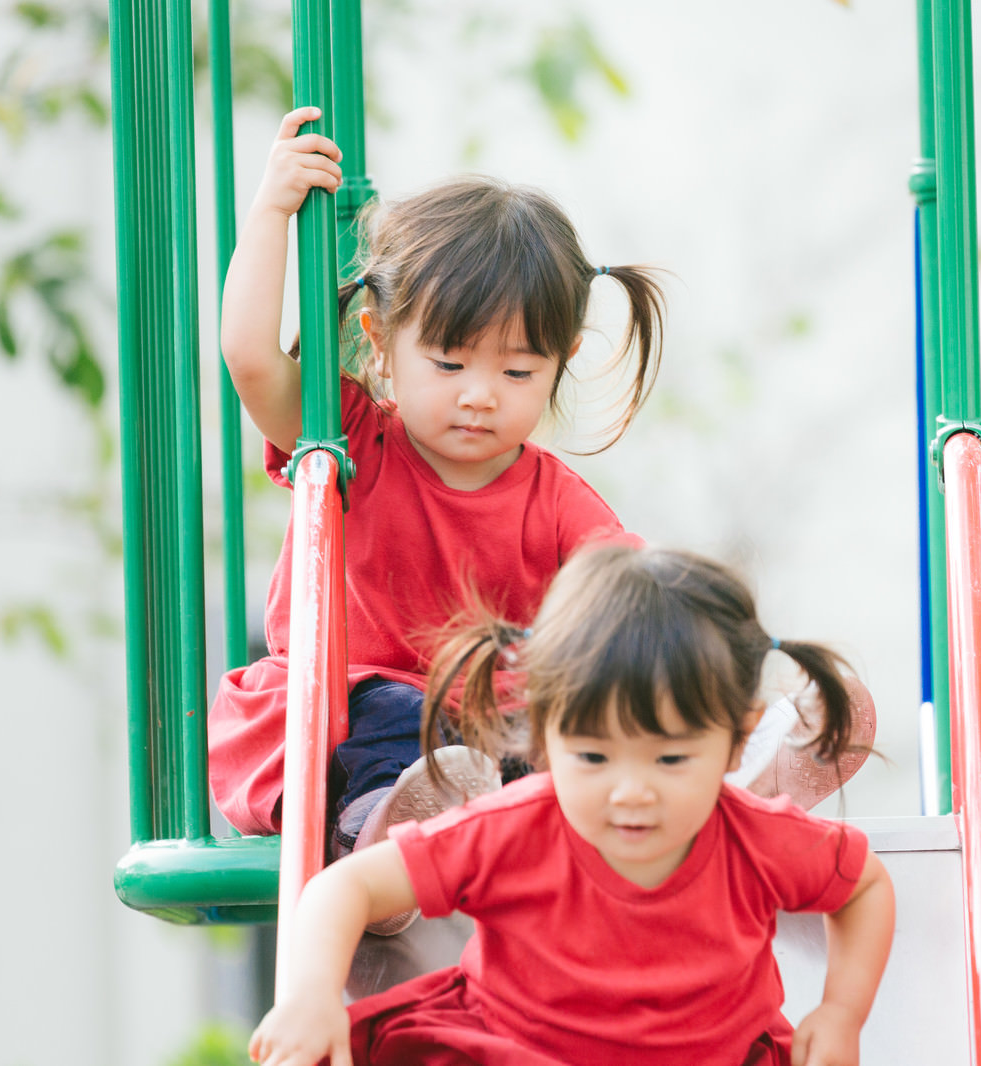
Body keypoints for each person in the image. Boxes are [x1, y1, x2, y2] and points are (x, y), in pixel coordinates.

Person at [207, 107, 667, 890]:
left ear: (562, 363)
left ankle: (713, 768)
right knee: (392, 719)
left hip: (496, 731)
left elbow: (632, 602)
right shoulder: (354, 439)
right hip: (365, 717)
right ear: (380, 342)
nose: (481, 396)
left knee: (588, 706)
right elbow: (251, 359)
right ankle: (385, 842)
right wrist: (271, 213)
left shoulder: (558, 502)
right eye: (450, 364)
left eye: (518, 373)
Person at [248, 544, 896, 1066]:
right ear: (543, 734)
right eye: (593, 756)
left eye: (670, 760)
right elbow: (346, 886)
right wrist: (310, 996)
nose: (631, 791)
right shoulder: (512, 829)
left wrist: (842, 1012)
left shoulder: (757, 839)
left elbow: (863, 884)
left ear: (736, 741)